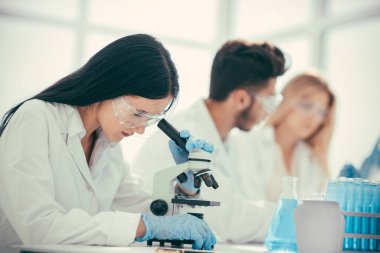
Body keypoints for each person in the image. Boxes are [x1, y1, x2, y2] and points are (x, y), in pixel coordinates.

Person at [0, 34, 216, 253]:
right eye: (138, 113)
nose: (140, 129)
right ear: (109, 87)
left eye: (149, 119)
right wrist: (146, 227)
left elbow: (152, 213)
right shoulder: (36, 118)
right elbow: (38, 227)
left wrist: (186, 188)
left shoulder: (108, 148)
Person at [132, 39, 288, 243]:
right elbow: (231, 219)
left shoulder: (231, 142)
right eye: (269, 100)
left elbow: (242, 204)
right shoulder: (185, 136)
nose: (269, 111)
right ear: (241, 99)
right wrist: (297, 217)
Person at [235, 72, 336, 202]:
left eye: (321, 112)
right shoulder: (249, 142)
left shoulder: (312, 161)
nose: (314, 118)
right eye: (307, 106)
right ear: (288, 101)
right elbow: (248, 204)